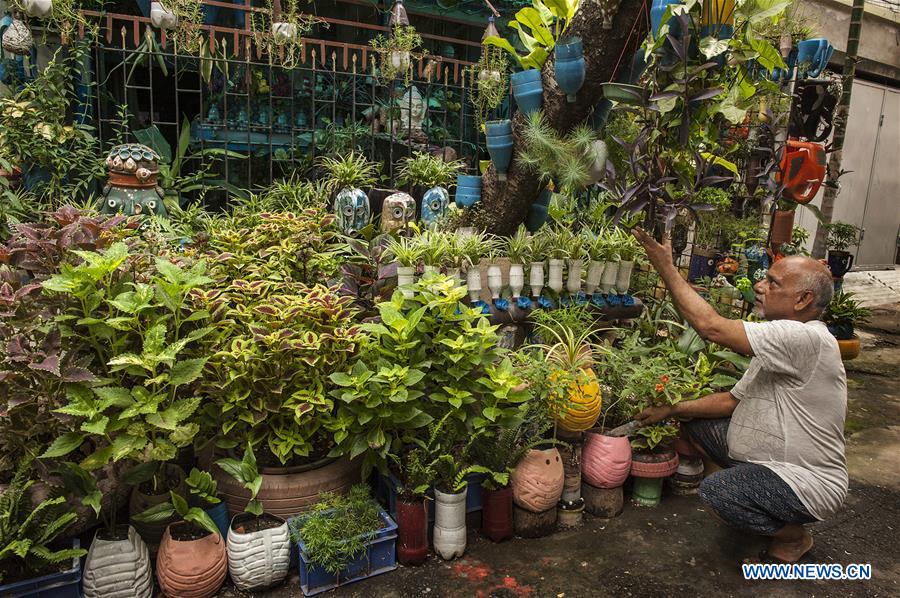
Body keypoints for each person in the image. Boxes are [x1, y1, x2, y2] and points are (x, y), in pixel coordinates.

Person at [631, 228, 848, 564]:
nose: (759, 286)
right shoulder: (782, 344)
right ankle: (754, 502)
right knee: (697, 425)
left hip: (808, 481)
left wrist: (666, 268)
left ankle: (792, 536)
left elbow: (711, 327)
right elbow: (732, 401)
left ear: (803, 300)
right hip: (773, 461)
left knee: (718, 492)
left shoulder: (805, 339)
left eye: (773, 283)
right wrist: (671, 409)